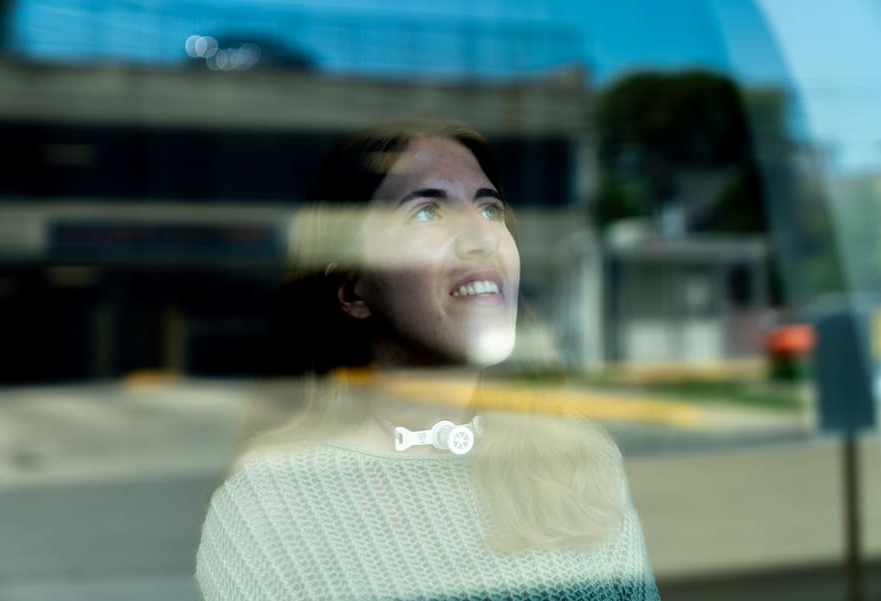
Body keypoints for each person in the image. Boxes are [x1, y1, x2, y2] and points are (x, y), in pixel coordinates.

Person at [195, 118, 660, 601]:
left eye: (490, 209)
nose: (481, 237)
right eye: (426, 213)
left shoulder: (580, 458)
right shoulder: (268, 508)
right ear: (352, 289)